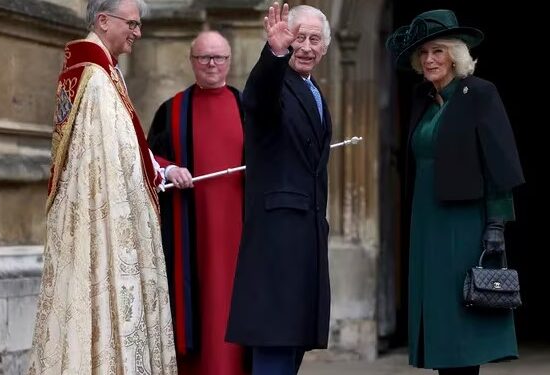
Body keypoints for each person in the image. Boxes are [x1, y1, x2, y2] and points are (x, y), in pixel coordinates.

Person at [27, 1, 177, 374]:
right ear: (103, 20)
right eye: (133, 24)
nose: (138, 33)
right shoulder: (94, 80)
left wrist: (159, 171)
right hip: (104, 222)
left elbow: (125, 149)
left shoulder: (103, 72)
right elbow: (108, 165)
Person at [386, 9, 525, 375]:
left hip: (464, 221)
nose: (429, 60)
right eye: (424, 54)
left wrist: (497, 223)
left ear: (456, 55)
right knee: (437, 318)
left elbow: (499, 162)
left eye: (438, 51)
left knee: (462, 320)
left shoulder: (479, 93)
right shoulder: (422, 98)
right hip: (426, 220)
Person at [225, 3, 333, 374]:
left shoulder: (312, 89)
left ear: (325, 48)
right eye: (298, 38)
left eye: (313, 40)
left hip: (306, 237)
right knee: (274, 347)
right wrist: (274, 53)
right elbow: (257, 97)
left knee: (292, 347)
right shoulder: (276, 84)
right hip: (277, 241)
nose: (304, 47)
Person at [147, 31, 248, 375]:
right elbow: (148, 159)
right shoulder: (172, 111)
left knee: (236, 305)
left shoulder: (248, 107)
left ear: (229, 62)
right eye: (204, 57)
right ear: (191, 61)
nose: (211, 64)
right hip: (190, 232)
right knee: (200, 307)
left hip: (241, 233)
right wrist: (171, 168)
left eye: (219, 57)